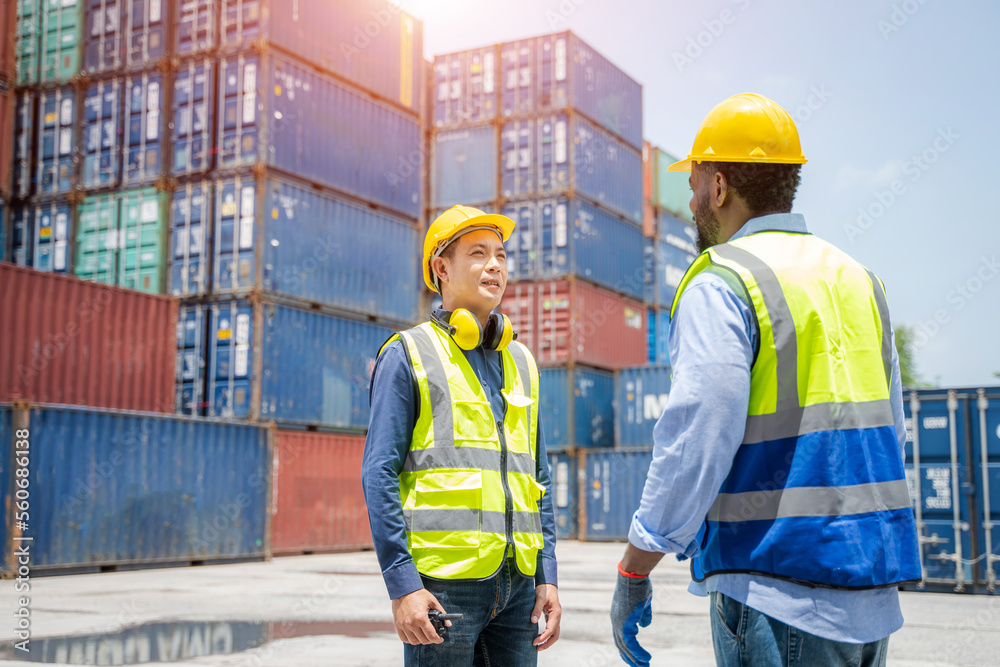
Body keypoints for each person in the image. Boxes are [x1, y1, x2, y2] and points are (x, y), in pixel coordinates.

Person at [610, 93, 921, 666]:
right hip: (872, 591)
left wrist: (636, 563)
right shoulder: (860, 280)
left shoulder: (724, 279)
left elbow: (697, 437)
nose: (691, 196)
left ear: (720, 187)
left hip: (776, 592)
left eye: (696, 181)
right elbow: (892, 433)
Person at [362, 205, 561, 666]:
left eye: (501, 255)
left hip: (518, 590)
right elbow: (378, 474)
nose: (495, 264)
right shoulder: (408, 353)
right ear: (441, 269)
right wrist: (402, 583)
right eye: (478, 253)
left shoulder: (522, 363)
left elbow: (540, 479)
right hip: (443, 589)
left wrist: (546, 575)